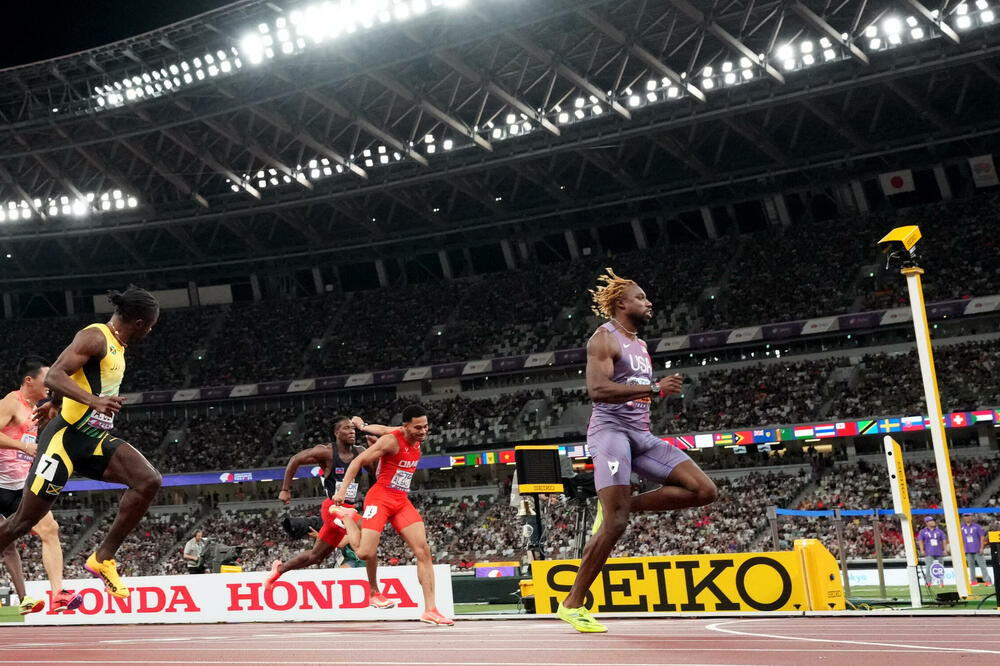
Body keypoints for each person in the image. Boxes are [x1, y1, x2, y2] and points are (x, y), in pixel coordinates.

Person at [557, 268, 718, 633]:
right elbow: (598, 390)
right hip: (610, 433)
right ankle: (572, 604)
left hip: (641, 435)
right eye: (641, 298)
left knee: (704, 490)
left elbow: (635, 390)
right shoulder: (604, 338)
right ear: (621, 303)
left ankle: (619, 503)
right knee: (615, 524)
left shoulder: (641, 346)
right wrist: (655, 388)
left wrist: (653, 390)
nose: (649, 303)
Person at [0, 286, 162, 599]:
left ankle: (103, 558)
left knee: (148, 480)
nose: (151, 331)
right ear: (140, 322)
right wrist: (93, 401)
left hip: (93, 439)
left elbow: (76, 377)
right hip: (63, 441)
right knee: (23, 522)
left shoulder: (117, 346)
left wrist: (56, 401)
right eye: (151, 325)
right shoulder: (95, 337)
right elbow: (54, 375)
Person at [332, 405, 453, 626]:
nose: (423, 431)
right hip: (380, 498)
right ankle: (348, 517)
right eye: (418, 428)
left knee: (423, 551)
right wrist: (342, 491)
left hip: (400, 501)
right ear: (406, 426)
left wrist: (363, 426)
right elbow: (358, 461)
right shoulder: (391, 441)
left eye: (426, 426)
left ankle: (430, 610)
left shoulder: (411, 436)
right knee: (365, 552)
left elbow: (381, 428)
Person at [265, 416, 395, 609]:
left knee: (315, 556)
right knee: (368, 533)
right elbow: (295, 459)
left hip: (349, 509)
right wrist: (285, 489)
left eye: (353, 428)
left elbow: (375, 475)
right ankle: (374, 593)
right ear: (336, 433)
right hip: (333, 509)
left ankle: (279, 570)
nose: (352, 431)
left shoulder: (360, 452)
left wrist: (376, 451)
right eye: (346, 428)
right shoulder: (325, 452)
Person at [0, 356, 82, 614]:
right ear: (29, 380)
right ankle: (24, 598)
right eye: (46, 379)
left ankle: (58, 594)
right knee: (6, 544)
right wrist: (23, 446)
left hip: (20, 487)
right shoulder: (11, 402)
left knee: (50, 530)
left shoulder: (36, 408)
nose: (50, 384)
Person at [961, 514, 992, 586]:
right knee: (971, 566)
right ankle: (973, 581)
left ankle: (987, 581)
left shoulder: (977, 526)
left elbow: (982, 537)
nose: (967, 517)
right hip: (968, 549)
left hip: (977, 549)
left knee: (982, 565)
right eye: (965, 516)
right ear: (963, 518)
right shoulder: (961, 527)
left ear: (972, 517)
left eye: (968, 516)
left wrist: (981, 548)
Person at [917, 516, 948, 587]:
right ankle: (928, 582)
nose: (933, 522)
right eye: (930, 521)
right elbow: (920, 541)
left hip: (939, 551)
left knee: (940, 567)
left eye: (933, 520)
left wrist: (945, 549)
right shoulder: (923, 531)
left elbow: (944, 540)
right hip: (929, 552)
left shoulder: (939, 531)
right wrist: (922, 550)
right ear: (927, 523)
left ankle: (941, 582)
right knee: (929, 567)